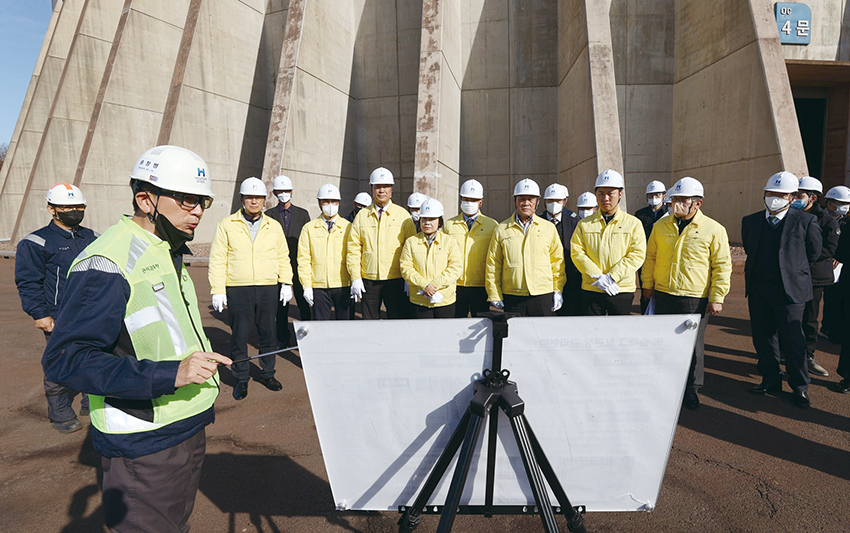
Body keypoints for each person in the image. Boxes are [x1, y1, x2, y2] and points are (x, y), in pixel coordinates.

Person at [42, 145, 232, 532]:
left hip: (185, 422)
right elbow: (67, 360)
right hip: (144, 440)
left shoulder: (166, 248)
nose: (197, 211)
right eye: (186, 200)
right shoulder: (109, 260)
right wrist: (171, 373)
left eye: (203, 202)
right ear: (146, 199)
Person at [642, 177, 732, 410]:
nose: (677, 204)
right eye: (675, 200)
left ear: (697, 203)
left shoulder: (713, 229)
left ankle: (692, 388)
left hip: (694, 297)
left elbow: (721, 265)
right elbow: (650, 258)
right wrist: (647, 285)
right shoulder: (660, 226)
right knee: (664, 342)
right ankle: (665, 384)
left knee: (693, 345)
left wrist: (717, 297)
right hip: (663, 293)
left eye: (683, 200)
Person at [15, 183, 98, 434]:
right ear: (52, 209)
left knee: (94, 356)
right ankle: (60, 411)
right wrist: (39, 314)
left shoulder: (91, 237)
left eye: (78, 206)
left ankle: (90, 400)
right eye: (66, 207)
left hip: (92, 311)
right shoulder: (36, 242)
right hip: (58, 314)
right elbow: (28, 282)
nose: (74, 210)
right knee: (60, 362)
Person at [742, 171, 821, 408]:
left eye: (780, 195)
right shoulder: (751, 220)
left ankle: (799, 386)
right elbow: (749, 247)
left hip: (790, 292)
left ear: (791, 197)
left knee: (793, 341)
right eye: (770, 193)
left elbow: (814, 252)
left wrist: (793, 271)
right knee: (763, 337)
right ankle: (770, 379)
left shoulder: (805, 221)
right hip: (759, 289)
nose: (773, 198)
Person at [210, 177, 293, 400]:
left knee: (268, 333)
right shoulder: (227, 224)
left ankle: (268, 373)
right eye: (250, 197)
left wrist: (286, 282)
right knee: (240, 335)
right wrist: (217, 288)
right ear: (242, 199)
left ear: (265, 200)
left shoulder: (273, 226)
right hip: (239, 288)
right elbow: (218, 258)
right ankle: (242, 378)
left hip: (267, 287)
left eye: (258, 197)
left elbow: (282, 256)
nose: (254, 201)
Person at [485, 178, 565, 316]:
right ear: (515, 201)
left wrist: (558, 290)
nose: (526, 203)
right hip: (513, 295)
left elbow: (557, 262)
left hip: (542, 294)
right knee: (514, 336)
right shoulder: (502, 229)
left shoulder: (548, 228)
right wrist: (494, 294)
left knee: (542, 336)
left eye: (531, 199)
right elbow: (493, 264)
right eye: (522, 199)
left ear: (537, 202)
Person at [571, 169, 646, 316]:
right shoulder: (584, 224)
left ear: (620, 194)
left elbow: (637, 254)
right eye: (601, 193)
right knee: (592, 333)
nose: (605, 198)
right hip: (592, 288)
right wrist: (598, 276)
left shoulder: (633, 224)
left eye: (610, 193)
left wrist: (612, 277)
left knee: (619, 334)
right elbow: (577, 252)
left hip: (620, 289)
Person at [346, 167, 416, 319]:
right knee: (370, 322)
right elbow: (353, 249)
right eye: (377, 186)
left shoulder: (403, 215)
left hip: (396, 279)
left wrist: (408, 279)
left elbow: (411, 249)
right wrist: (355, 277)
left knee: (397, 321)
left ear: (392, 190)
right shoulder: (362, 216)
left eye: (385, 186)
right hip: (369, 280)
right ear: (371, 189)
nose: (381, 190)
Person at [792, 177, 837, 377]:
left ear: (812, 197)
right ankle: (787, 352)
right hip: (792, 274)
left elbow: (830, 248)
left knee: (809, 317)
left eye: (799, 195)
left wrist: (804, 257)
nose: (795, 199)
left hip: (814, 276)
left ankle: (808, 356)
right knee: (789, 314)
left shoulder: (826, 219)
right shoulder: (790, 214)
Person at [265, 175, 311, 348]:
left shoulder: (302, 214)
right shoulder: (269, 215)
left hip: (299, 264)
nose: (283, 194)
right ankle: (282, 338)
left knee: (304, 303)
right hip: (277, 266)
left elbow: (308, 240)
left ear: (292, 191)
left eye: (286, 191)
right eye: (280, 191)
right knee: (280, 306)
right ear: (275, 193)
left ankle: (306, 338)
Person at [443, 179, 498, 318]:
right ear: (460, 199)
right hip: (455, 285)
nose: (469, 203)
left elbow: (496, 257)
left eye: (473, 200)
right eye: (466, 199)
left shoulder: (492, 225)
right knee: (455, 323)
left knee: (480, 324)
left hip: (480, 286)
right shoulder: (449, 225)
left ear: (481, 202)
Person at [297, 184, 351, 320]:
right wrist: (307, 285)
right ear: (319, 203)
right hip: (318, 286)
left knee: (345, 326)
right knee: (320, 325)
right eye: (326, 201)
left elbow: (354, 255)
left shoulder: (348, 227)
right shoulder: (309, 228)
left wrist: (355, 279)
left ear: (338, 203)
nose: (330, 205)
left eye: (334, 201)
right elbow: (304, 260)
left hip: (343, 284)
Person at [400, 199, 462, 318]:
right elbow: (406, 268)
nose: (427, 223)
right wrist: (424, 285)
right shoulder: (411, 242)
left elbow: (455, 267)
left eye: (432, 219)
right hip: (419, 300)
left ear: (439, 221)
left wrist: (434, 286)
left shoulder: (449, 242)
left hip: (444, 300)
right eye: (424, 219)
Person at [540, 183, 581, 316]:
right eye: (550, 201)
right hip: (546, 277)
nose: (554, 203)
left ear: (565, 201)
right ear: (544, 202)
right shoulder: (538, 221)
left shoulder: (574, 221)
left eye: (558, 200)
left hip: (571, 278)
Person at [819, 185, 850, 340]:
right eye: (840, 202)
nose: (844, 206)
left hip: (840, 267)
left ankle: (832, 328)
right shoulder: (819, 218)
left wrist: (840, 257)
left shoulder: (846, 222)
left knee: (836, 297)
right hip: (822, 262)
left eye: (847, 203)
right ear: (829, 202)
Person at [635, 180, 668, 313]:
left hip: (662, 255)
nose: (654, 198)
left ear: (664, 196)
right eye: (651, 195)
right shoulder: (640, 214)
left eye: (657, 195)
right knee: (646, 289)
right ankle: (645, 314)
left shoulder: (668, 213)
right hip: (645, 256)